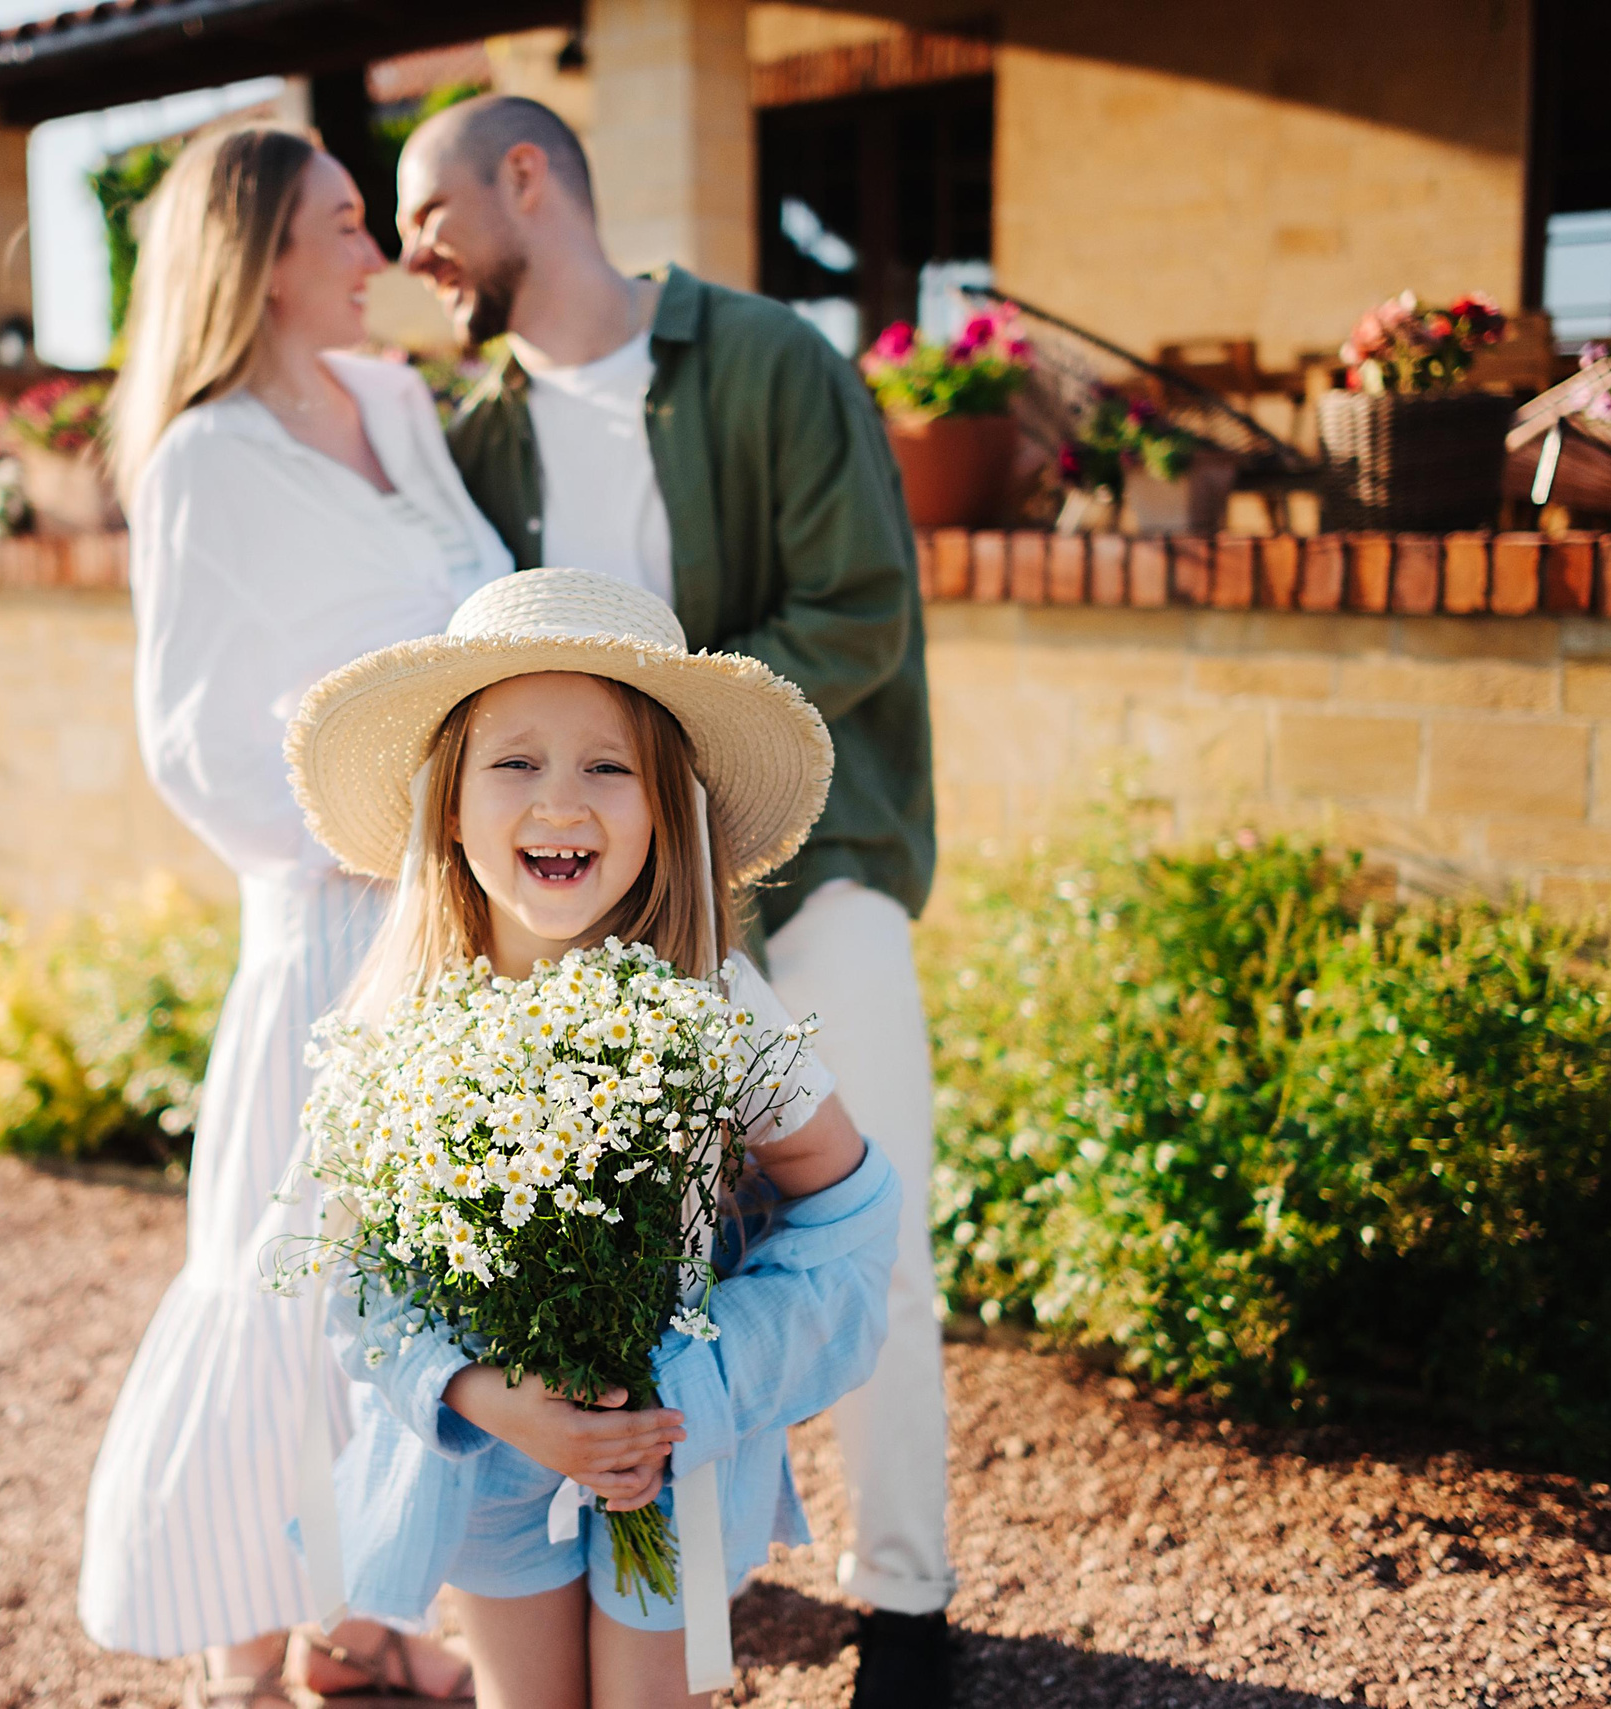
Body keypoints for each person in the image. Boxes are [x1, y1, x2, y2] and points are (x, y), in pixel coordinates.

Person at [392, 95, 957, 1705]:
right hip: (602, 901)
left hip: (811, 862)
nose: (415, 256)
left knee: (870, 1211)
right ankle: (624, 1537)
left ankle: (905, 1602)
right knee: (610, 1236)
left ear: (526, 178)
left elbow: (858, 612)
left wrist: (675, 772)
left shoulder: (769, 359)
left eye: (426, 213)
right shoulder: (477, 430)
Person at [283, 568, 900, 1709]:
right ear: (449, 803)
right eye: (514, 762)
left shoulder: (711, 1003)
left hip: (667, 1457)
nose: (560, 802)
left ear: (664, 808)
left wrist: (695, 1378)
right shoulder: (402, 1020)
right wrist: (485, 1395)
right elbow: (355, 1280)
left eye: (608, 767)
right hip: (490, 1459)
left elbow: (851, 1207)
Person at [74, 124, 509, 1709]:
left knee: (412, 1289)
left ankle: (354, 1620)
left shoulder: (395, 402)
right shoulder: (202, 458)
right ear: (259, 255)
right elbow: (193, 745)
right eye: (342, 224)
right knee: (288, 1281)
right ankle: (240, 1652)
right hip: (330, 929)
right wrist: (379, 839)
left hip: (455, 930)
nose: (372, 253)